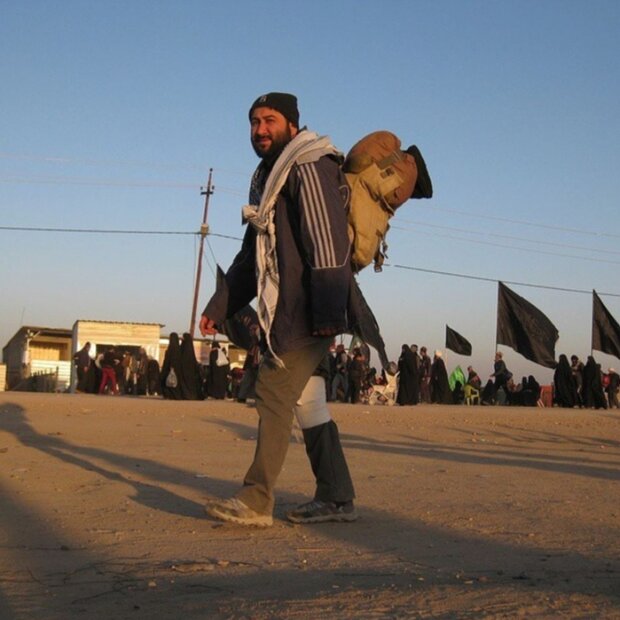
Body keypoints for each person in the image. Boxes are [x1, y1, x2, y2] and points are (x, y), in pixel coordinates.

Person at [200, 92, 357, 526]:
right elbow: (254, 256)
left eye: (269, 120)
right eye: (253, 121)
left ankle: (255, 500)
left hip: (308, 307)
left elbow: (328, 244)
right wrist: (221, 304)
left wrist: (327, 313)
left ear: (292, 123)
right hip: (288, 308)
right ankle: (337, 496)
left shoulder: (308, 165)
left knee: (271, 392)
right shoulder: (267, 176)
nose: (260, 129)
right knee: (308, 401)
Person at [161, 332, 183, 400]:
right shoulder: (179, 349)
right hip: (177, 369)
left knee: (168, 381)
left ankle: (168, 395)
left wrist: (170, 366)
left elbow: (169, 359)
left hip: (169, 368)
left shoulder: (170, 349)